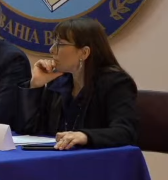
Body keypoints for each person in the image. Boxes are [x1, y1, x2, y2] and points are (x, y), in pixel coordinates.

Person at [21, 18, 138, 150]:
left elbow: (126, 131)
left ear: (84, 52)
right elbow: (30, 130)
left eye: (60, 44)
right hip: (57, 156)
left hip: (97, 159)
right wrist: (35, 85)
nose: (52, 49)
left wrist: (86, 136)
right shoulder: (59, 81)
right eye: (53, 43)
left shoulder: (116, 83)